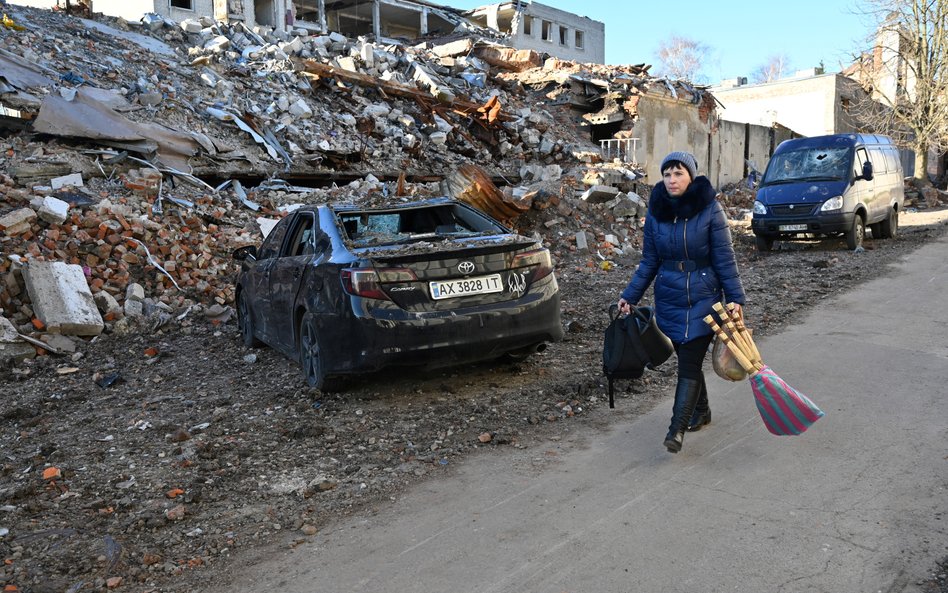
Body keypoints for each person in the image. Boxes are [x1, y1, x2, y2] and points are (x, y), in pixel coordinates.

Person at [617, 151, 746, 454]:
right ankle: (702, 411)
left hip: (703, 296)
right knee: (685, 357)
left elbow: (725, 259)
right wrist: (629, 295)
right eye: (667, 174)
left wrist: (735, 299)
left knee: (688, 362)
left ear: (691, 176)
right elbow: (649, 261)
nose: (672, 180)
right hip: (669, 298)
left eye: (678, 173)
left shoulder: (710, 209)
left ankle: (676, 429)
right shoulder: (656, 211)